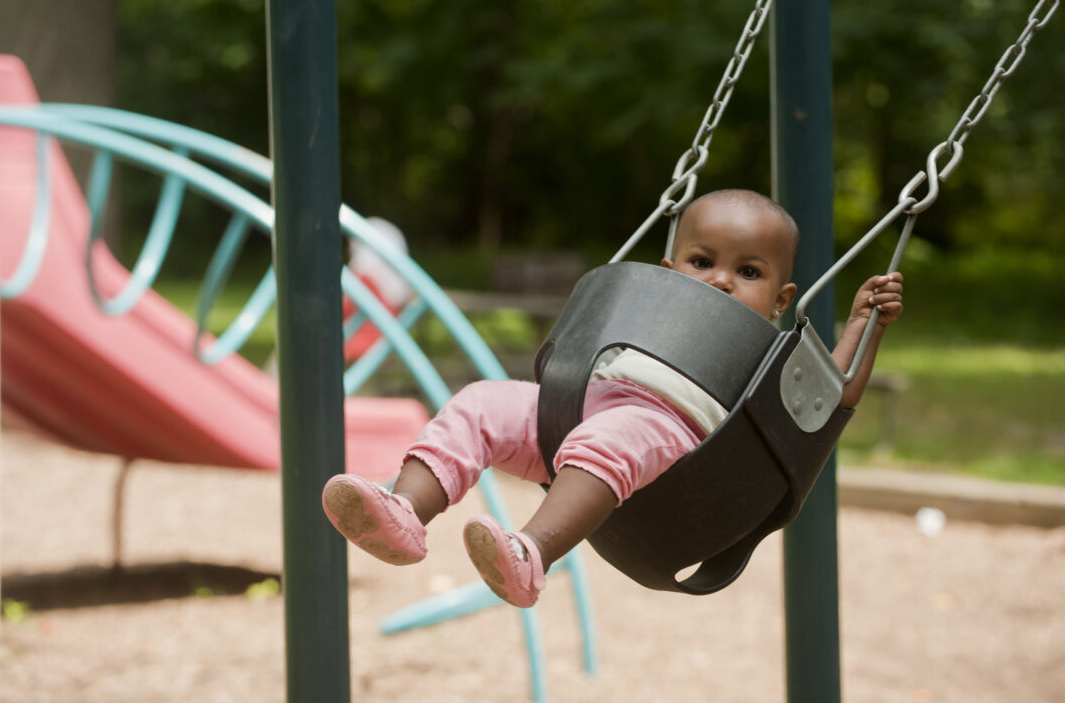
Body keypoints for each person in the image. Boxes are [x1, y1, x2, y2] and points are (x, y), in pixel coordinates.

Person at [321, 189, 904, 608]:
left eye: (747, 271)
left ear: (782, 301)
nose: (722, 280)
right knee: (481, 402)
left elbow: (831, 395)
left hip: (669, 444)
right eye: (702, 263)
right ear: (667, 270)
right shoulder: (649, 314)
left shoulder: (770, 350)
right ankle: (406, 511)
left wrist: (862, 325)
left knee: (614, 436)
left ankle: (531, 555)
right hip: (571, 419)